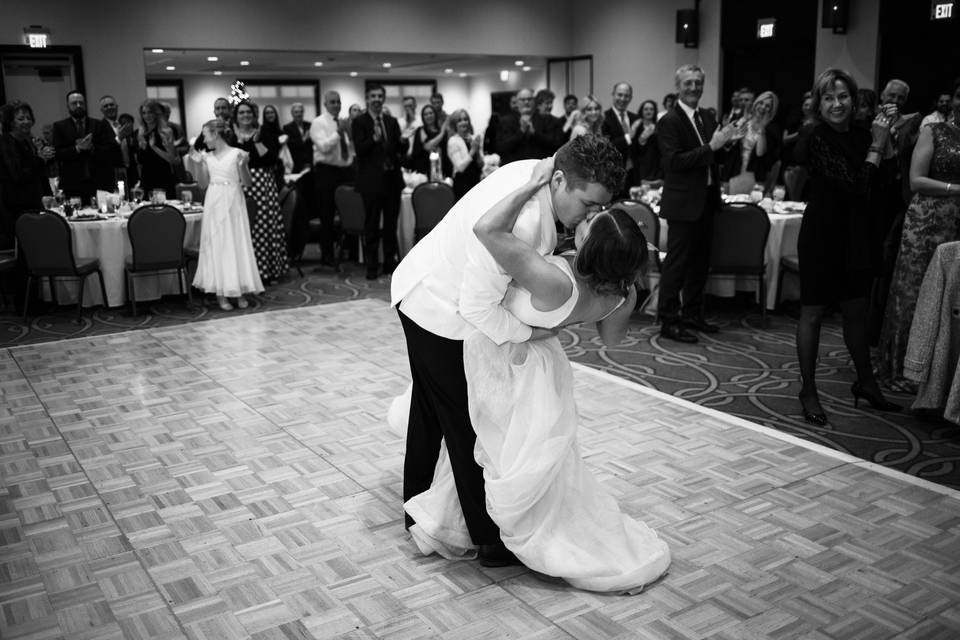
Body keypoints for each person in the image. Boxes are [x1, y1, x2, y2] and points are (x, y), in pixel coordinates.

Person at [396, 158, 670, 593]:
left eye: (597, 218)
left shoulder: (553, 278)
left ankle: (493, 540)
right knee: (522, 452)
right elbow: (612, 340)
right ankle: (488, 522)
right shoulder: (620, 291)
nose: (590, 216)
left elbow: (488, 232)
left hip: (511, 358)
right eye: (592, 208)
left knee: (481, 441)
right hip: (544, 368)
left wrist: (532, 185)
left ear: (592, 250)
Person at [793, 68, 901, 426]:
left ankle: (866, 382)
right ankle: (808, 389)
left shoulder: (862, 133)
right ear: (818, 104)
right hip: (823, 235)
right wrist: (876, 144)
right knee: (813, 313)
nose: (837, 104)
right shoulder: (814, 137)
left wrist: (887, 144)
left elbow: (883, 184)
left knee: (857, 311)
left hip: (857, 236)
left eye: (843, 97)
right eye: (828, 97)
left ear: (854, 100)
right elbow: (855, 184)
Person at [877, 78, 960, 389]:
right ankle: (901, 368)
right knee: (913, 293)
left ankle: (938, 374)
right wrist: (956, 189)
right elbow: (916, 180)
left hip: (956, 225)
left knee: (947, 299)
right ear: (952, 100)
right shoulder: (933, 131)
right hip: (926, 220)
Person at [656, 64, 742, 344]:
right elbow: (673, 162)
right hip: (682, 203)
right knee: (677, 264)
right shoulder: (670, 120)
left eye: (698, 83)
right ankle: (668, 320)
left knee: (700, 263)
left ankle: (692, 314)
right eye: (688, 83)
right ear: (678, 86)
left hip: (706, 200)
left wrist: (728, 144)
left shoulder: (706, 116)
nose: (694, 88)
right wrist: (712, 148)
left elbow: (713, 158)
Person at [186, 119, 263, 311]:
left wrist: (244, 165)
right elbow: (203, 184)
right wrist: (199, 165)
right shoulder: (208, 157)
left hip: (234, 200)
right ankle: (221, 293)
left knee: (235, 243)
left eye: (206, 134)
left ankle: (240, 291)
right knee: (219, 244)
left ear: (216, 134)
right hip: (214, 200)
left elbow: (248, 182)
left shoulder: (238, 153)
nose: (204, 139)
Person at [232, 99, 289, 283]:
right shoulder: (231, 135)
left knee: (263, 228)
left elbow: (271, 158)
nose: (245, 115)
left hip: (262, 183)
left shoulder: (263, 132)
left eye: (248, 112)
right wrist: (239, 141)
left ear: (254, 115)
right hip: (239, 182)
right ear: (236, 116)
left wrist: (256, 143)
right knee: (245, 228)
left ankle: (267, 271)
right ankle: (246, 273)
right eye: (241, 112)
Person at [353, 83, 404, 279]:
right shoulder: (359, 122)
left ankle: (390, 263)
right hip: (371, 183)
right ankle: (372, 266)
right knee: (372, 225)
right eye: (372, 96)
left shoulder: (391, 121)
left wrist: (402, 143)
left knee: (391, 225)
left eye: (379, 96)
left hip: (392, 181)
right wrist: (374, 139)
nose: (376, 99)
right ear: (367, 99)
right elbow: (359, 149)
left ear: (383, 99)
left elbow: (396, 149)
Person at [310, 91, 355, 266]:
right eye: (332, 102)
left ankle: (349, 252)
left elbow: (351, 148)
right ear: (325, 104)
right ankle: (327, 254)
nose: (336, 105)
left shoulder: (344, 122)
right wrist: (339, 131)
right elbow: (324, 147)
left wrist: (348, 133)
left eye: (338, 102)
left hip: (345, 172)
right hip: (326, 173)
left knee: (348, 213)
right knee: (326, 215)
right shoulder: (318, 123)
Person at [51, 91, 121, 200]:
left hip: (99, 182)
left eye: (81, 103)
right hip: (72, 183)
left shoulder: (99, 125)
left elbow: (110, 150)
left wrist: (92, 147)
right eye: (74, 103)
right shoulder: (60, 127)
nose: (78, 106)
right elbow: (57, 153)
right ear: (68, 106)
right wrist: (77, 149)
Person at [722, 91, 781, 193]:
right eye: (761, 103)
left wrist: (762, 128)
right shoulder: (744, 121)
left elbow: (760, 153)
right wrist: (735, 132)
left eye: (767, 106)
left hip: (756, 176)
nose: (762, 107)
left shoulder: (771, 130)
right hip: (735, 172)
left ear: (772, 110)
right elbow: (726, 142)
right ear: (756, 103)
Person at [135, 99, 179, 199]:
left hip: (163, 178)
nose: (147, 116)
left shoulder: (166, 132)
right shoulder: (140, 133)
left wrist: (154, 147)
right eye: (144, 113)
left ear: (156, 113)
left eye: (150, 112)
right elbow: (140, 161)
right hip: (146, 180)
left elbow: (173, 160)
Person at [601, 82, 637, 181]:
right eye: (619, 95)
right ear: (613, 95)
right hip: (613, 173)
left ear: (631, 98)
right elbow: (607, 146)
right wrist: (628, 137)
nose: (622, 99)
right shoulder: (603, 118)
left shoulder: (635, 118)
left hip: (634, 174)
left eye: (626, 96)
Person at [445, 109, 482, 200]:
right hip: (462, 183)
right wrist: (473, 150)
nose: (464, 122)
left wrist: (477, 151)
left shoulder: (473, 138)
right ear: (455, 124)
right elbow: (460, 167)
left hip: (476, 181)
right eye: (460, 120)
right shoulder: (453, 141)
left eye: (466, 119)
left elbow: (481, 164)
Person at [409, 104, 445, 177]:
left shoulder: (441, 130)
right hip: (424, 169)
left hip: (441, 167)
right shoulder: (421, 130)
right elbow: (426, 147)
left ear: (435, 114)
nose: (429, 116)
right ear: (423, 117)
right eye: (425, 114)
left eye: (431, 113)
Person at [630, 99, 661, 182]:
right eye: (646, 109)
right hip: (639, 167)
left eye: (651, 109)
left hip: (656, 167)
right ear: (641, 111)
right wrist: (641, 141)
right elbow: (632, 149)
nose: (648, 111)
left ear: (655, 112)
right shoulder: (636, 127)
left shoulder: (659, 127)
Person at [282, 103, 313, 173]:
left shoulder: (310, 125)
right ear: (292, 114)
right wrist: (303, 139)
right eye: (296, 112)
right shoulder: (287, 128)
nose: (299, 114)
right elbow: (289, 144)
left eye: (301, 112)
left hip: (310, 162)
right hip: (296, 164)